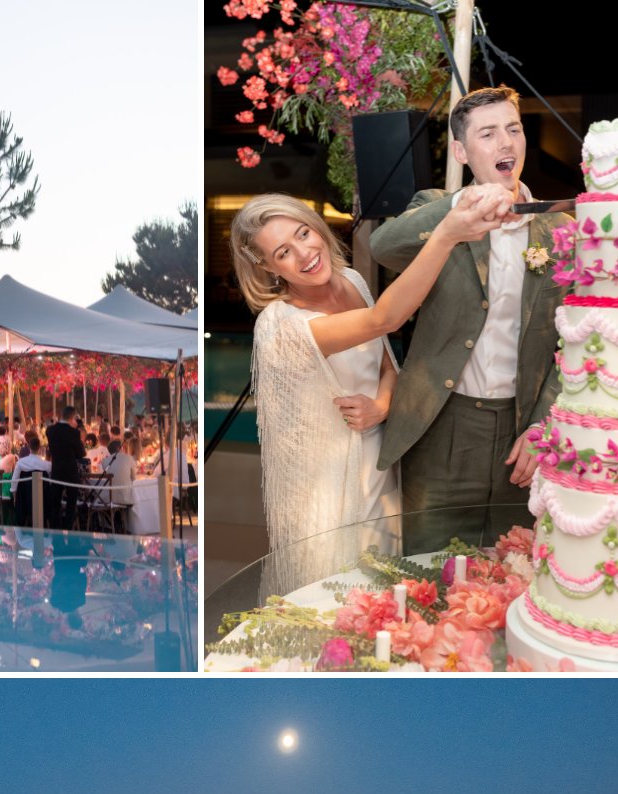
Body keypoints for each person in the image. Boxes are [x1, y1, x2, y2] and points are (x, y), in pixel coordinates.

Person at [230, 184, 509, 559]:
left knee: (388, 571)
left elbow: (388, 366)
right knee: (343, 578)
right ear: (266, 267)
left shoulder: (352, 280)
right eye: (283, 252)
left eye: (303, 233)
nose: (304, 253)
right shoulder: (284, 327)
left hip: (381, 460)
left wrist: (381, 406)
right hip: (332, 483)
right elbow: (385, 320)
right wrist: (445, 235)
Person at [370, 85, 571, 552]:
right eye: (488, 133)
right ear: (461, 151)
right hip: (442, 422)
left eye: (513, 129)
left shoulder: (560, 231)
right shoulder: (437, 209)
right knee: (429, 563)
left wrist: (544, 426)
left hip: (522, 430)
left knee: (515, 563)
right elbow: (383, 248)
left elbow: (576, 344)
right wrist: (457, 211)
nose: (505, 142)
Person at [46, 404, 85, 529]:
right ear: (72, 418)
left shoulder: (50, 430)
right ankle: (68, 527)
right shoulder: (74, 433)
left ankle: (55, 527)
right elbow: (81, 454)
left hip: (56, 470)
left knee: (55, 502)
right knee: (71, 502)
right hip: (70, 471)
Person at [11, 430, 52, 527]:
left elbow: (14, 481)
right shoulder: (47, 465)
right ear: (39, 448)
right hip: (44, 500)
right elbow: (50, 482)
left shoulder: (21, 463)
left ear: (29, 447)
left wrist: (15, 495)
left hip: (24, 500)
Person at [104, 436, 136, 533]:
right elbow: (134, 478)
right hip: (125, 497)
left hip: (109, 498)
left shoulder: (105, 461)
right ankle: (127, 525)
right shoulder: (129, 458)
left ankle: (113, 524)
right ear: (120, 448)